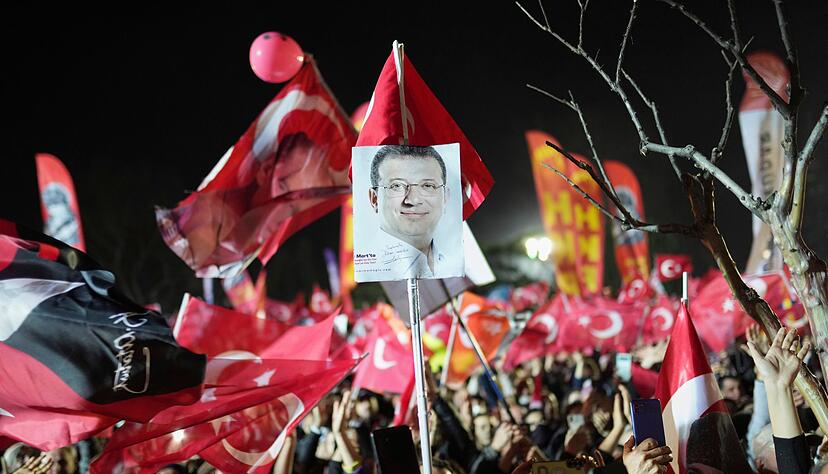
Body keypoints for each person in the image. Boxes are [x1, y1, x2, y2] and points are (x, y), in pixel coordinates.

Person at [368, 145, 449, 278]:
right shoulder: (371, 275)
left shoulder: (451, 264)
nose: (413, 199)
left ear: (445, 196)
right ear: (374, 199)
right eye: (397, 186)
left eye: (428, 185)